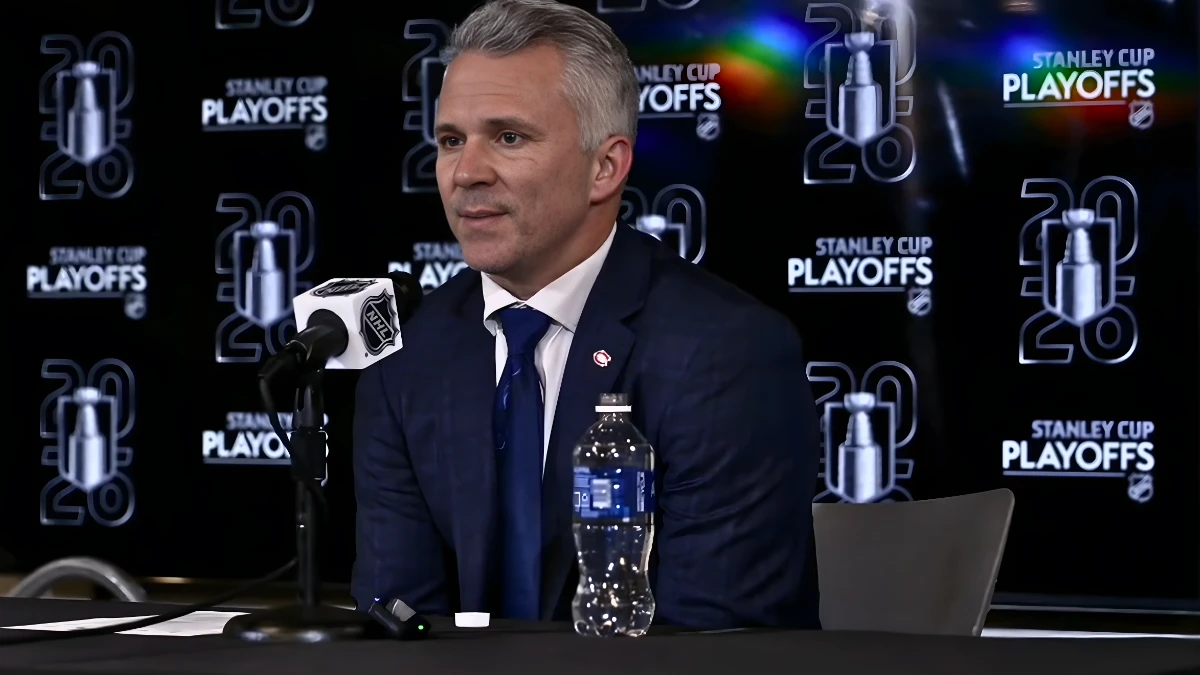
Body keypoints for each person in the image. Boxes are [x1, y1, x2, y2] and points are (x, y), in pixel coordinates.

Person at [352, 0, 821, 629]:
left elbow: (715, 644)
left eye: (509, 137)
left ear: (605, 166)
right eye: (451, 140)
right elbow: (396, 621)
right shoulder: (406, 358)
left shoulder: (723, 351)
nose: (466, 173)